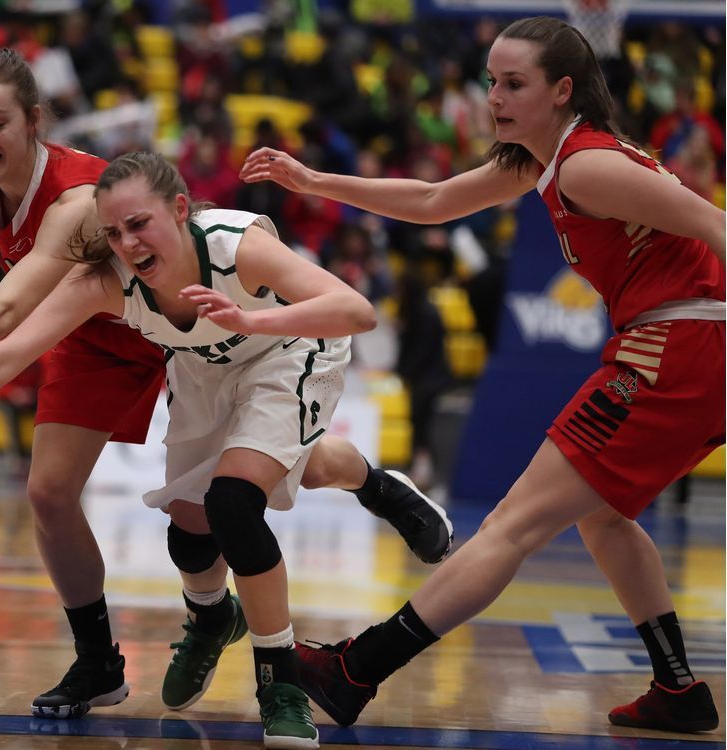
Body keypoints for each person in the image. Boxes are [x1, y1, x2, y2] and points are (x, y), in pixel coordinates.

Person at [0, 49, 451, 724]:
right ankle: (102, 662)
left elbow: (9, 309)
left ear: (34, 122)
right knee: (52, 494)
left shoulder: (79, 202)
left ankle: (365, 501)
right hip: (95, 326)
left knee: (260, 472)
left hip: (164, 322)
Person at [240, 15, 725, 734]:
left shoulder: (587, 165)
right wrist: (314, 180)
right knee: (602, 516)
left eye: (514, 84)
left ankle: (355, 668)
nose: (495, 96)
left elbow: (714, 224)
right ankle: (678, 689)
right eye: (491, 81)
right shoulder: (541, 160)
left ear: (563, 90)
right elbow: (433, 203)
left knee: (510, 527)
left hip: (680, 345)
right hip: (684, 344)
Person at [0, 151, 446, 748]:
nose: (129, 243)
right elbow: (9, 352)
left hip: (288, 350)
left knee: (233, 503)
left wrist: (252, 323)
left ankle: (279, 683)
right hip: (205, 369)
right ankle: (227, 601)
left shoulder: (234, 244)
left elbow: (356, 310)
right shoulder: (105, 279)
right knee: (191, 532)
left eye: (140, 224)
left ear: (178, 210)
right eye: (115, 232)